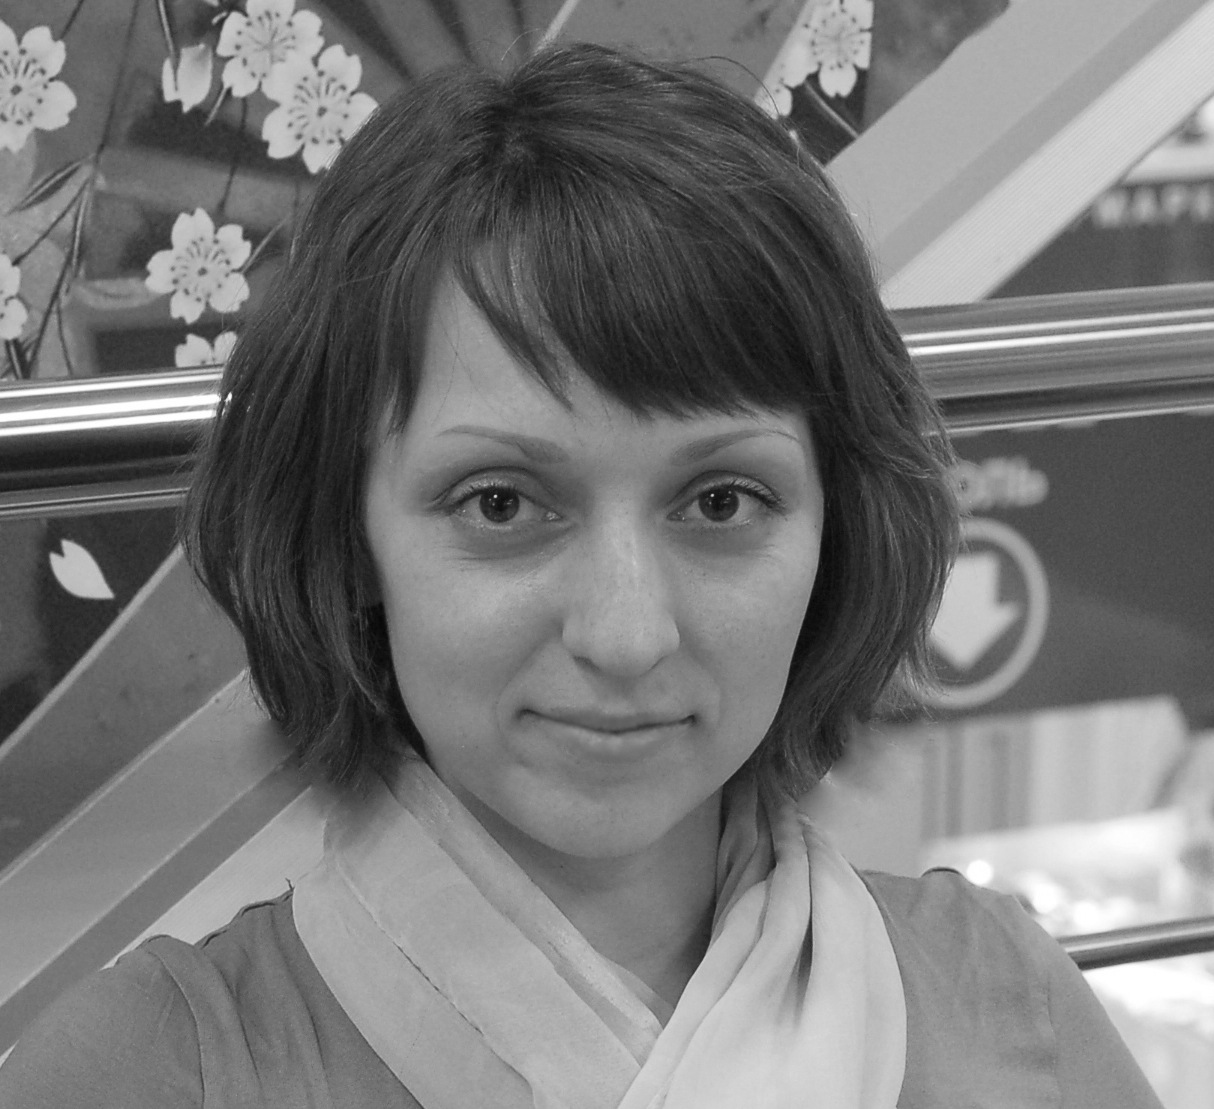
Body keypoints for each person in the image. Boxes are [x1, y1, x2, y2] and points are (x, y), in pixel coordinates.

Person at [0, 41, 1163, 1109]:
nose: (624, 632)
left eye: (720, 501)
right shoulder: (152, 1070)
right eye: (501, 503)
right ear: (347, 534)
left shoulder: (1004, 1003)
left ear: (837, 529)